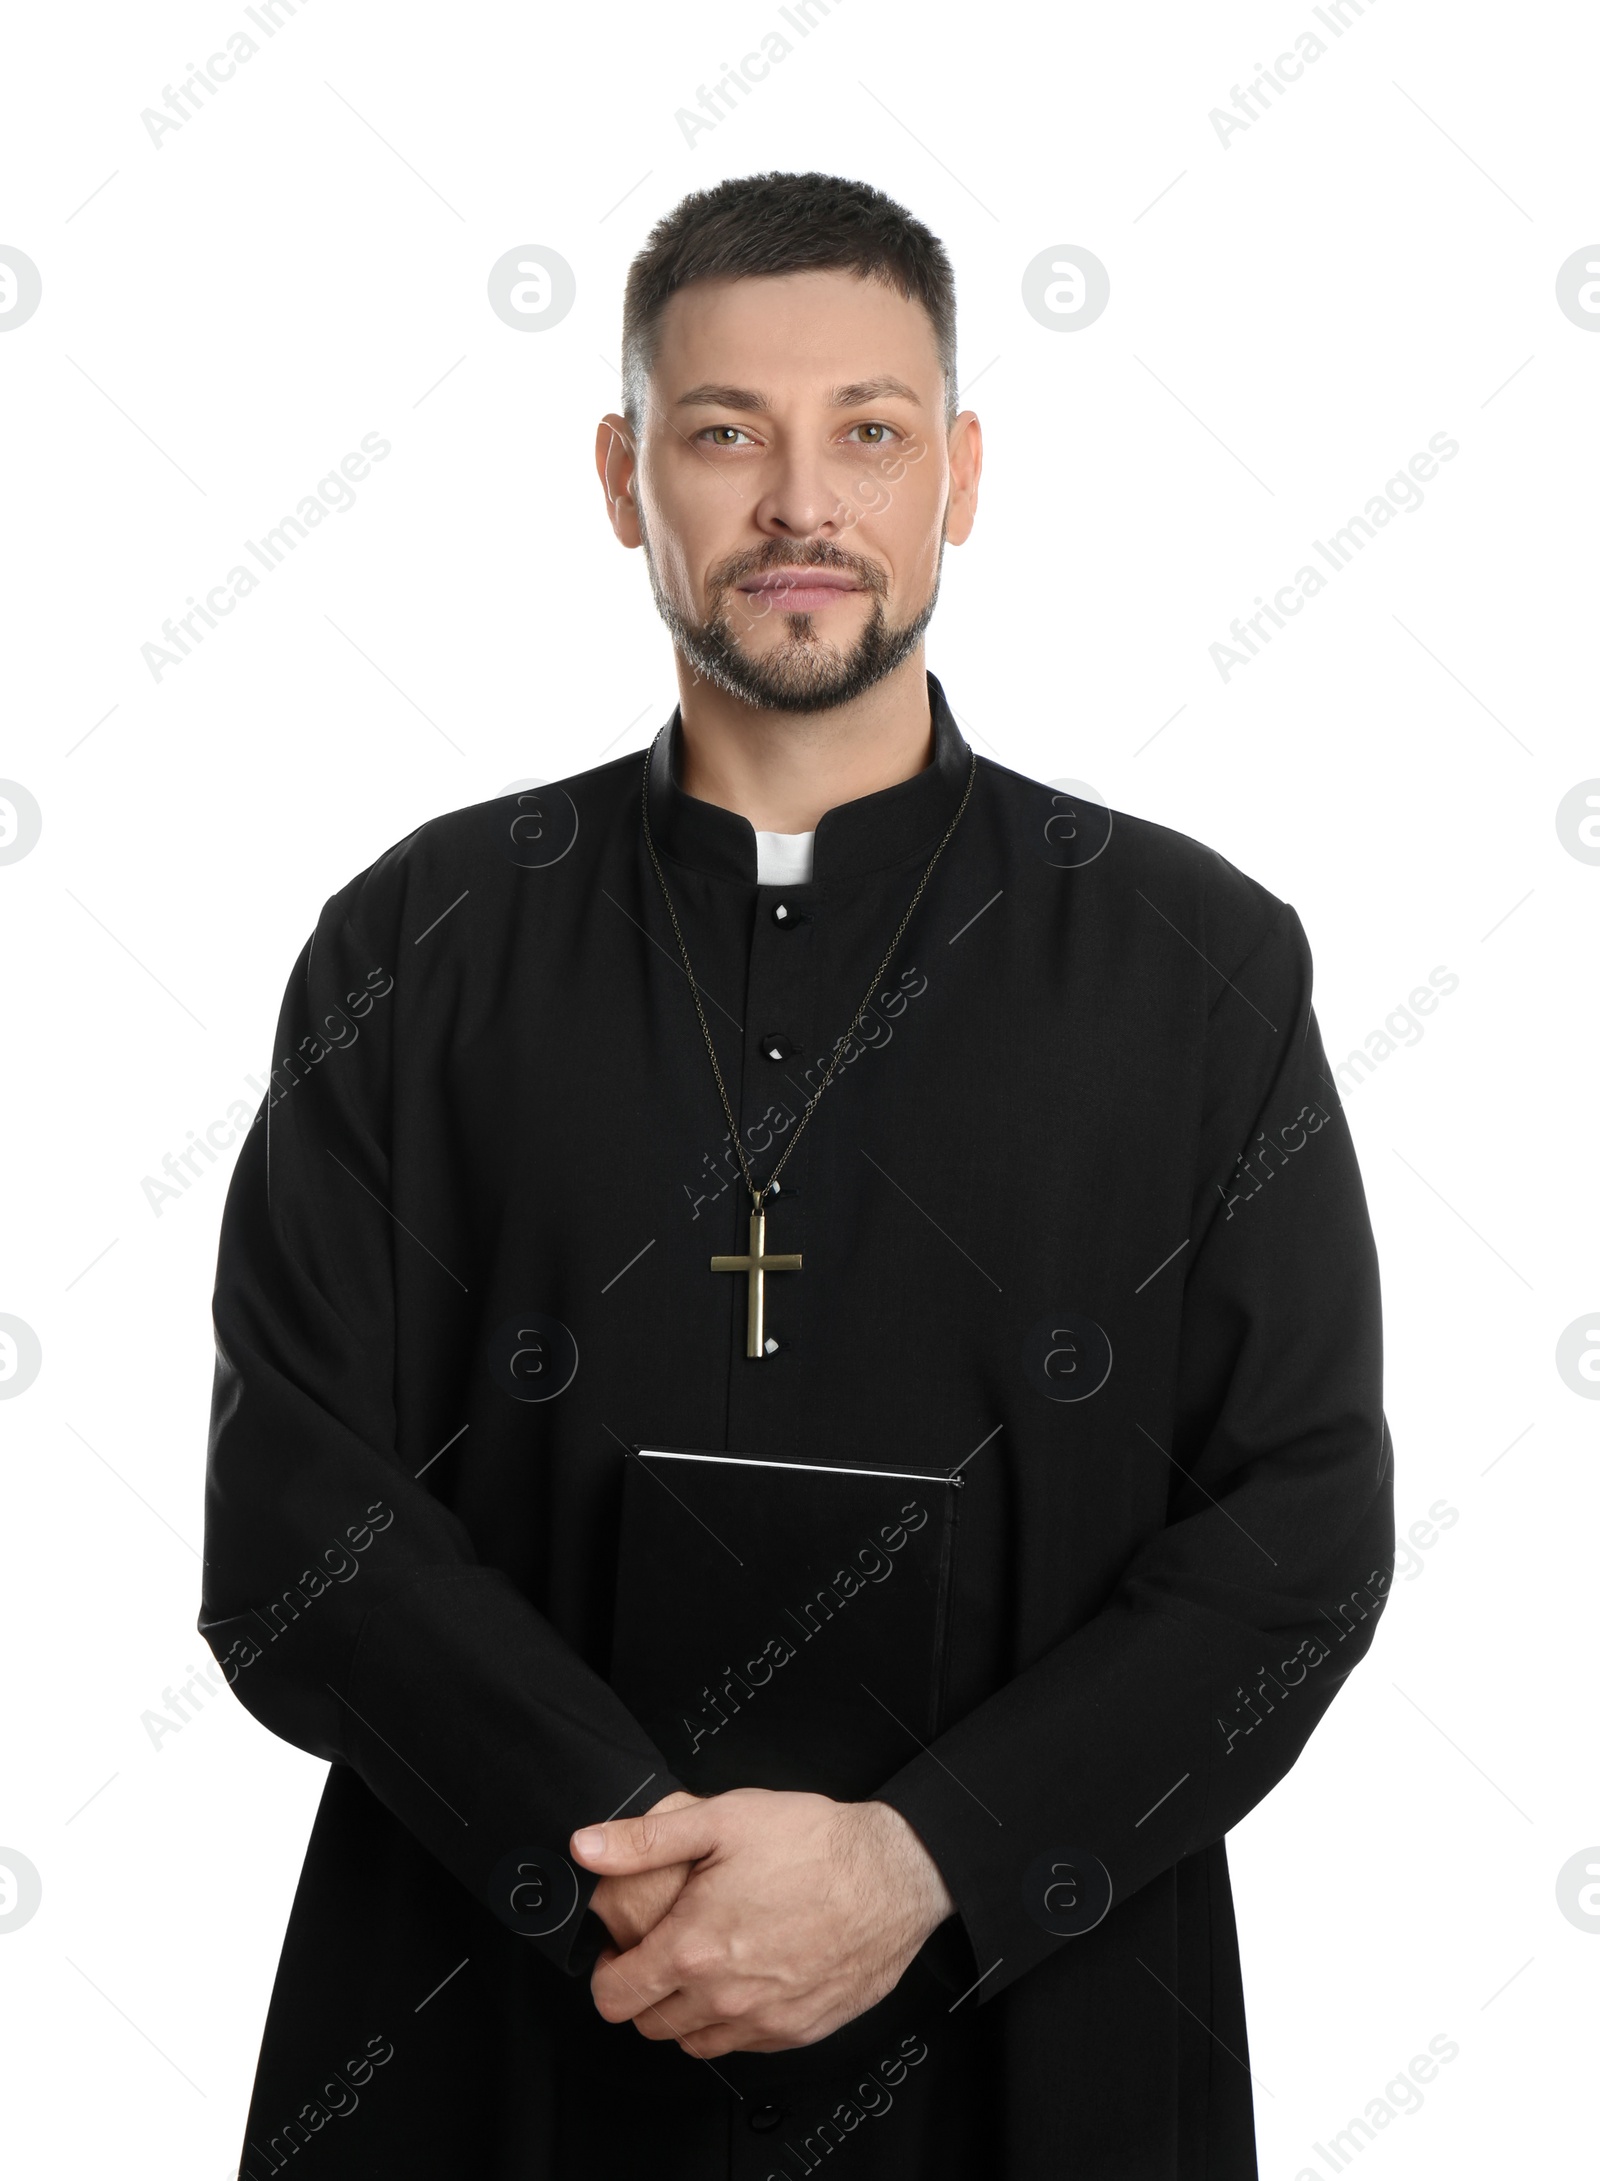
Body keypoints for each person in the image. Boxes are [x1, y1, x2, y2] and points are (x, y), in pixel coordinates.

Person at [200, 169, 1395, 2180]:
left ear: (960, 475)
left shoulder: (1194, 961)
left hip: (1034, 2020)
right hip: (495, 2016)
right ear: (620, 473)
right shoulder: (421, 940)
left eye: (868, 428)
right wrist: (640, 1858)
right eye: (722, 431)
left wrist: (927, 1854)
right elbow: (294, 1507)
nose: (797, 504)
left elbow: (1291, 1532)